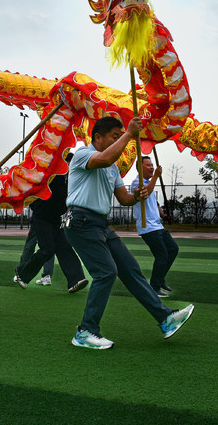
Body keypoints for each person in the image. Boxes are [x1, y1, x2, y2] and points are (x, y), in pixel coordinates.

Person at [64, 116, 194, 349]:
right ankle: (85, 331)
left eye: (120, 136)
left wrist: (137, 196)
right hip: (81, 221)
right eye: (115, 136)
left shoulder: (112, 168)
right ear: (97, 137)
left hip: (100, 224)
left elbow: (124, 198)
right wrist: (129, 133)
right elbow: (104, 158)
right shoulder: (83, 154)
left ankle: (165, 319)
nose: (119, 140)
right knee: (105, 272)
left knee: (130, 269)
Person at [13, 153, 88, 293]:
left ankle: (76, 279)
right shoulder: (54, 174)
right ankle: (22, 273)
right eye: (69, 163)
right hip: (42, 216)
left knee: (64, 246)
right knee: (47, 249)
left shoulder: (67, 177)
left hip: (54, 218)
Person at [129, 156, 178, 297]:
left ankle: (159, 279)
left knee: (173, 249)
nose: (152, 167)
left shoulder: (149, 183)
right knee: (161, 255)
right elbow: (145, 194)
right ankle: (155, 287)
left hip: (157, 225)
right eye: (148, 165)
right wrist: (156, 176)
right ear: (140, 168)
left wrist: (163, 216)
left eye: (152, 165)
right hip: (147, 227)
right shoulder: (136, 183)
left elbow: (155, 203)